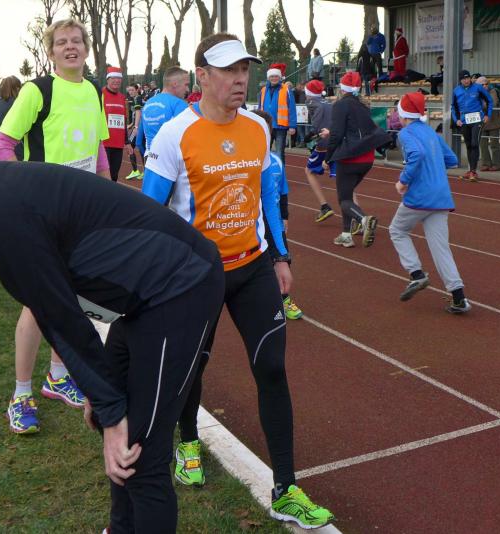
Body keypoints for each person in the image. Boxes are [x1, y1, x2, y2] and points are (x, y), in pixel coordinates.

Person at [0, 118, 224, 534]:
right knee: (119, 432)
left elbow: (59, 316)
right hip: (146, 297)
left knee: (139, 451)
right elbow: (60, 311)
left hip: (181, 286)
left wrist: (110, 407)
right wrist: (106, 400)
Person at [142, 33, 334, 529]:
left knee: (271, 368)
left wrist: (281, 256)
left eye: (244, 69)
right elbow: (148, 214)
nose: (239, 78)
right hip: (196, 277)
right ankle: (188, 443)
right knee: (192, 368)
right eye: (228, 70)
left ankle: (285, 489)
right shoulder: (174, 135)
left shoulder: (257, 127)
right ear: (202, 76)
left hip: (252, 268)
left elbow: (267, 196)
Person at [0, 18, 110, 434]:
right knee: (38, 301)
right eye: (62, 42)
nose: (70, 47)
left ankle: (57, 377)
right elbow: (4, 145)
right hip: (43, 215)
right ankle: (20, 394)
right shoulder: (37, 90)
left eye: (77, 40)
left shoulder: (93, 89)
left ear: (86, 48)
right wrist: (25, 190)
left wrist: (107, 194)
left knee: (73, 296)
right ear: (51, 52)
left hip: (82, 214)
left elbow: (98, 148)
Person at [388, 92, 471, 314]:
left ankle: (416, 274)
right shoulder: (431, 132)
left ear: (403, 114)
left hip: (419, 197)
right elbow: (452, 160)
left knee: (397, 230)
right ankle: (459, 297)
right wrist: (433, 167)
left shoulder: (406, 133)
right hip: (441, 197)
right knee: (440, 247)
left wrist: (403, 181)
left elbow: (416, 154)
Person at [324, 71, 390, 248]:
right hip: (367, 157)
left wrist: (328, 158)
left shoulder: (340, 105)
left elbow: (336, 134)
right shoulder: (363, 105)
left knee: (344, 199)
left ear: (342, 88)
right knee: (347, 195)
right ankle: (346, 234)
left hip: (350, 157)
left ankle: (364, 219)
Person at [252, 109, 303, 320]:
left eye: (267, 131)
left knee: (283, 257)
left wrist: (285, 216)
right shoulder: (246, 160)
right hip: (252, 222)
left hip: (274, 222)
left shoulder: (276, 161)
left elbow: (283, 192)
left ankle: (284, 298)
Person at [301, 79, 337, 223]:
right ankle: (357, 214)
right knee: (342, 179)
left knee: (309, 171)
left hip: (324, 143)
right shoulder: (329, 102)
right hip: (335, 141)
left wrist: (310, 135)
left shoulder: (311, 102)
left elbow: (316, 124)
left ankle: (324, 205)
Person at [451, 69, 493, 182]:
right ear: (460, 80)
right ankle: (470, 170)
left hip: (477, 120)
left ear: (470, 78)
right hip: (464, 121)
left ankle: (473, 171)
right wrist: (456, 120)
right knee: (469, 145)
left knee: (475, 144)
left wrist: (487, 115)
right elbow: (453, 107)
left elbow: (490, 101)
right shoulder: (456, 91)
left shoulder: (478, 88)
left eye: (468, 78)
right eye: (464, 79)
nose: (466, 80)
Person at [135, 66, 189, 154]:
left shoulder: (147, 104)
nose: (187, 89)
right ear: (175, 84)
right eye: (186, 85)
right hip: (172, 158)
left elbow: (139, 142)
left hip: (150, 157)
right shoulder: (179, 104)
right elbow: (187, 138)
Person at [258, 63, 296, 165]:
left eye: (276, 76)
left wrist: (292, 126)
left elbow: (292, 108)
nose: (274, 78)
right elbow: (260, 107)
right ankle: (265, 171)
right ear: (268, 78)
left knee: (279, 152)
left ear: (279, 77)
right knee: (265, 151)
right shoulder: (263, 90)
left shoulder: (286, 90)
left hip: (281, 126)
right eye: (272, 76)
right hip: (267, 125)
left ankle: (280, 172)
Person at [102, 66, 130, 182]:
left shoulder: (122, 98)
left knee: (114, 176)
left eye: (118, 78)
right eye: (113, 78)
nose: (116, 81)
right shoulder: (100, 94)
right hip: (103, 143)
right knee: (103, 176)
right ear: (107, 79)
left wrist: (127, 142)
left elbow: (124, 121)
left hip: (118, 144)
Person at [476, 76, 500, 172]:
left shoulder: (493, 91)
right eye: (481, 85)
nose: (484, 86)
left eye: (485, 84)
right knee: (483, 144)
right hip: (483, 122)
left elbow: (493, 103)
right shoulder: (477, 93)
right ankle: (486, 163)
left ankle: (496, 164)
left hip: (494, 122)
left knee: (494, 144)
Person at [124, 83, 143, 180]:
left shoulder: (138, 99)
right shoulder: (135, 99)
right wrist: (131, 125)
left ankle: (136, 171)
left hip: (140, 127)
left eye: (132, 90)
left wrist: (135, 127)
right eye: (129, 90)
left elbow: (139, 112)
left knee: (130, 146)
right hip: (140, 127)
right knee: (142, 148)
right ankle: (143, 171)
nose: (130, 92)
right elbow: (136, 115)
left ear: (137, 90)